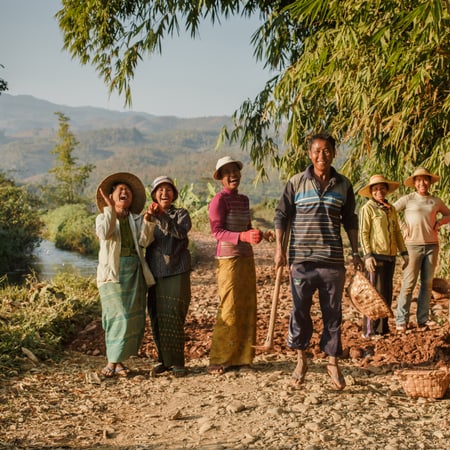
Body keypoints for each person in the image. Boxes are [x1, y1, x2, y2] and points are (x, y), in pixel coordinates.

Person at [274, 132, 363, 390]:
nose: (321, 155)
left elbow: (350, 221)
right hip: (301, 260)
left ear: (334, 153)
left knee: (333, 314)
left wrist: (355, 252)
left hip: (333, 261)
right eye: (316, 150)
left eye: (326, 151)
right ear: (309, 154)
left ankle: (333, 361)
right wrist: (279, 250)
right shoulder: (295, 183)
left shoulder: (344, 185)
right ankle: (301, 360)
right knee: (300, 311)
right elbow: (281, 215)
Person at [95, 172, 156, 377]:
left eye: (128, 191)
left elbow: (144, 242)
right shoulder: (103, 218)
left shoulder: (136, 219)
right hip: (112, 274)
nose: (125, 192)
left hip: (134, 272)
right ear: (111, 197)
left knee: (132, 318)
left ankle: (119, 362)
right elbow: (104, 233)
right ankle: (112, 361)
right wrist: (111, 211)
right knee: (117, 315)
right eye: (120, 190)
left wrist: (148, 222)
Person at [207, 156, 263, 375]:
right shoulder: (219, 200)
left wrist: (260, 234)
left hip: (246, 257)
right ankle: (219, 359)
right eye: (227, 172)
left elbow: (247, 227)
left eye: (235, 171)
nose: (232, 175)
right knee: (229, 307)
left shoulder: (244, 200)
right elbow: (217, 232)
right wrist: (243, 236)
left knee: (247, 307)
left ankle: (243, 359)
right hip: (228, 259)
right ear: (221, 178)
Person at [145, 176, 192, 377]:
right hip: (155, 272)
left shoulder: (181, 214)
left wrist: (162, 216)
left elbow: (180, 233)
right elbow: (143, 240)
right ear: (154, 195)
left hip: (177, 270)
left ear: (174, 194)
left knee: (174, 314)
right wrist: (150, 219)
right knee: (156, 316)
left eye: (168, 190)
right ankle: (163, 360)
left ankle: (177, 361)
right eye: (160, 190)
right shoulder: (147, 217)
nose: (164, 193)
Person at [393, 167, 450, 332]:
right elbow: (390, 211)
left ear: (430, 182)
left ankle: (422, 319)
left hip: (432, 246)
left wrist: (439, 223)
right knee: (409, 283)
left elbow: (448, 214)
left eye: (425, 179)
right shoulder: (408, 199)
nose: (422, 183)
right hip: (412, 246)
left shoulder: (435, 201)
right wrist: (403, 227)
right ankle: (401, 320)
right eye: (418, 180)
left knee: (427, 283)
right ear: (414, 183)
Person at [358, 174, 409, 337]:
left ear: (386, 190)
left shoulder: (391, 209)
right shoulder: (368, 208)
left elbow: (397, 233)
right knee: (373, 294)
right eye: (375, 189)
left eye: (381, 188)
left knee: (386, 293)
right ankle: (369, 330)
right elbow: (363, 233)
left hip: (390, 256)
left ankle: (382, 328)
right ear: (371, 192)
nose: (379, 191)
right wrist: (367, 256)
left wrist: (404, 253)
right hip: (375, 257)